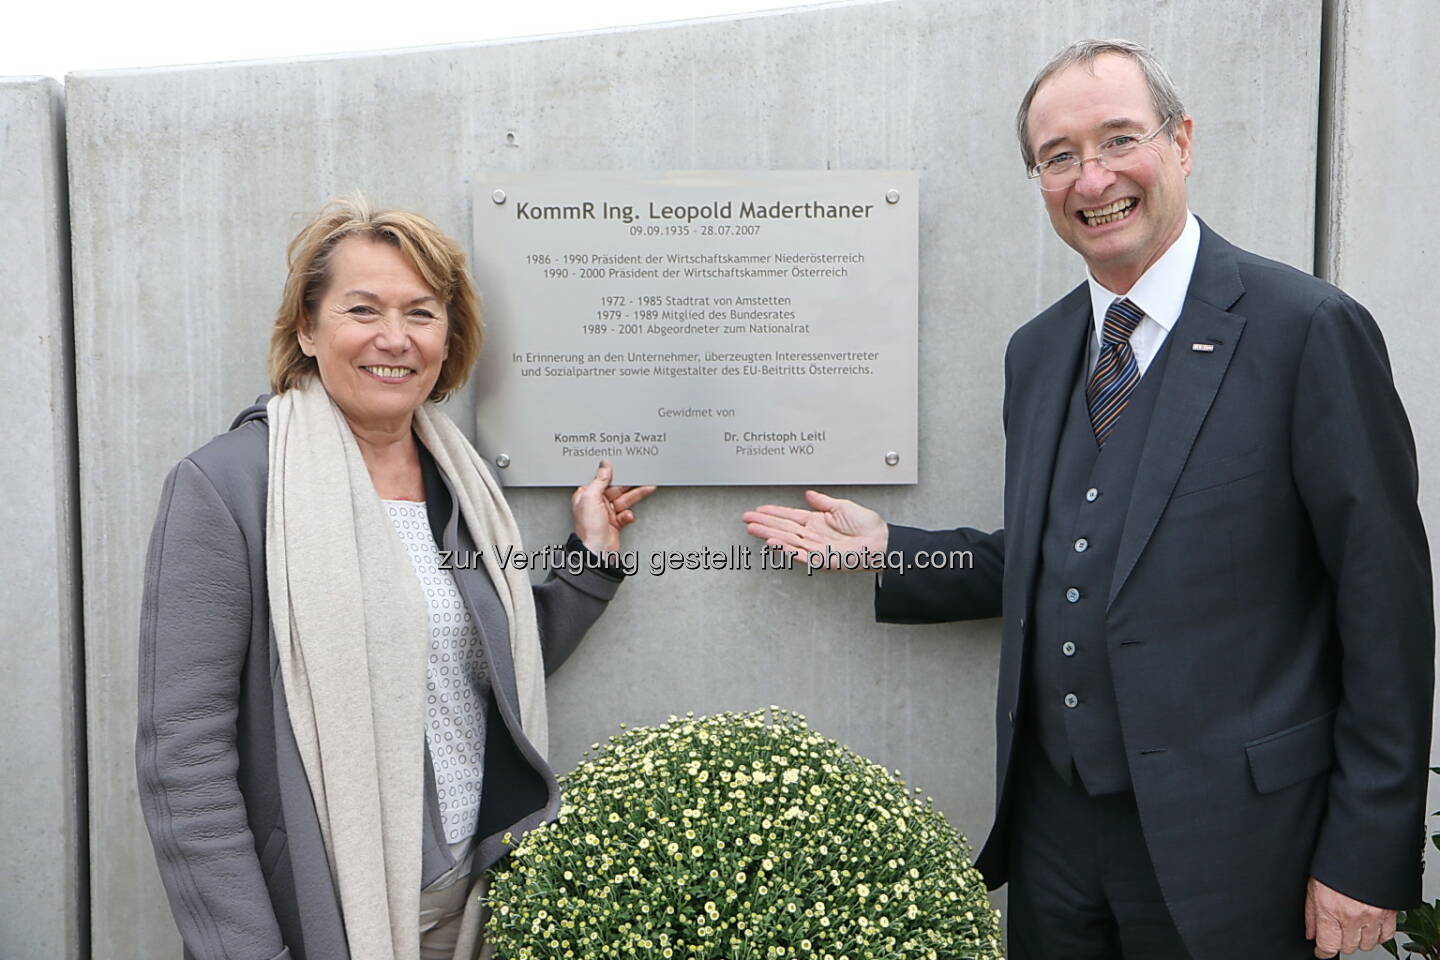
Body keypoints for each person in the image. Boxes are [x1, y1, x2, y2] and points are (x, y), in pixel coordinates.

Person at [744, 39, 1433, 960]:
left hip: (1238, 848)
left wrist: (1366, 852)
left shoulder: (1305, 330)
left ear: (1181, 142)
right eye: (1059, 155)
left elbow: (1384, 603)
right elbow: (1061, 558)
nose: (1092, 177)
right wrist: (889, 549)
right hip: (1056, 842)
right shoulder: (1039, 350)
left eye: (1118, 140)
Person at [136, 198, 654, 960]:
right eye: (362, 309)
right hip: (325, 917)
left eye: (421, 313)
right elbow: (185, 759)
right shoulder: (231, 486)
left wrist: (588, 563)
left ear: (450, 336)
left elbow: (486, 671)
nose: (394, 338)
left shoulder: (462, 484)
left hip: (473, 899)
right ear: (307, 329)